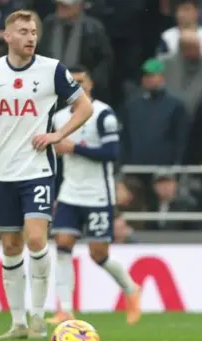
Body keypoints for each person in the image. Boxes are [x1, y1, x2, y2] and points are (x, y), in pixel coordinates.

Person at [0, 10, 93, 339]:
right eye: (23, 31)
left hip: (38, 168)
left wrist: (58, 135)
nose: (30, 37)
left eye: (34, 32)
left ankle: (39, 316)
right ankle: (18, 322)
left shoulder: (52, 69)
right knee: (11, 246)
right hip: (3, 172)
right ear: (8, 37)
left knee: (37, 238)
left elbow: (84, 106)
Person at [47, 65, 141, 326]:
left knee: (98, 253)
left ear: (90, 85)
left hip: (98, 193)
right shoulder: (59, 118)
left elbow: (111, 154)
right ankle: (65, 309)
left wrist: (74, 148)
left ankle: (131, 289)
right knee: (62, 243)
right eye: (72, 83)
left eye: (81, 81)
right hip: (70, 192)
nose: (77, 86)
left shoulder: (103, 115)